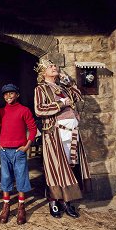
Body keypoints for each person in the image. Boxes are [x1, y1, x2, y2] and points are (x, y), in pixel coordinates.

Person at [34, 58, 91, 218]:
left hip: (72, 131)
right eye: (50, 66)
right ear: (43, 72)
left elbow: (79, 97)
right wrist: (61, 104)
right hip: (54, 132)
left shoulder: (63, 87)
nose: (54, 67)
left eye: (54, 65)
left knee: (69, 165)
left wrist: (70, 83)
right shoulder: (41, 89)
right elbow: (39, 110)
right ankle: (54, 200)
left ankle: (67, 201)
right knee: (55, 167)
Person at [0, 84, 37, 224]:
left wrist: (27, 145)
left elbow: (32, 128)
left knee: (21, 177)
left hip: (19, 151)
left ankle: (21, 206)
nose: (8, 96)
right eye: (5, 94)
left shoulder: (24, 110)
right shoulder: (1, 111)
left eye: (11, 93)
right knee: (6, 177)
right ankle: (6, 206)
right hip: (4, 151)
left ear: (17, 95)